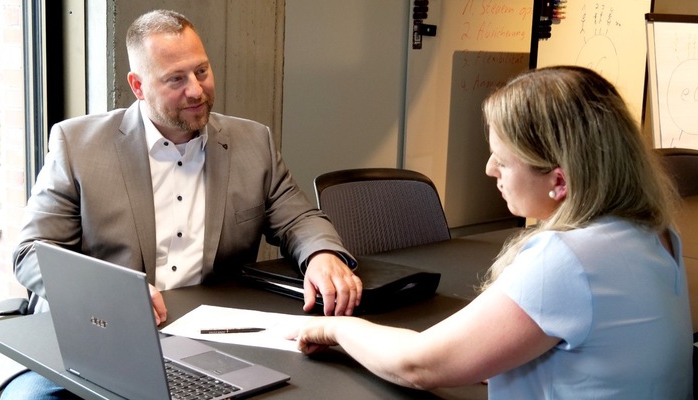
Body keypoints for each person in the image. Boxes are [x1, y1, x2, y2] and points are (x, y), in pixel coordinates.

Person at [0, 9, 363, 399]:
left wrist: (322, 253)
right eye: (176, 79)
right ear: (138, 86)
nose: (197, 90)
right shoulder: (78, 145)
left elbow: (298, 217)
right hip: (98, 332)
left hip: (212, 339)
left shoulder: (253, 142)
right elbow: (31, 252)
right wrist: (117, 294)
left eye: (201, 71)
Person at [290, 66, 693, 399]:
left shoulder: (568, 258)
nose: (489, 170)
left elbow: (417, 364)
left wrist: (334, 328)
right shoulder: (656, 234)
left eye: (503, 160)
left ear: (559, 180)